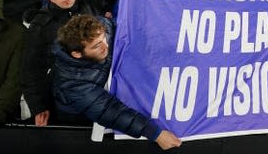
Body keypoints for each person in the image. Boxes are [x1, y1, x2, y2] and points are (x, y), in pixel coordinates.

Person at [51, 14, 182, 150]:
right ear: (77, 54)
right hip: (78, 118)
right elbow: (107, 110)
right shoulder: (71, 82)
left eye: (104, 39)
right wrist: (155, 133)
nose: (105, 45)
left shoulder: (102, 26)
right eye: (97, 46)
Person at [22, 0, 122, 127]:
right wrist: (38, 106)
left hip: (98, 92)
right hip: (63, 101)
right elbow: (31, 68)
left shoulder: (89, 6)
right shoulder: (40, 24)